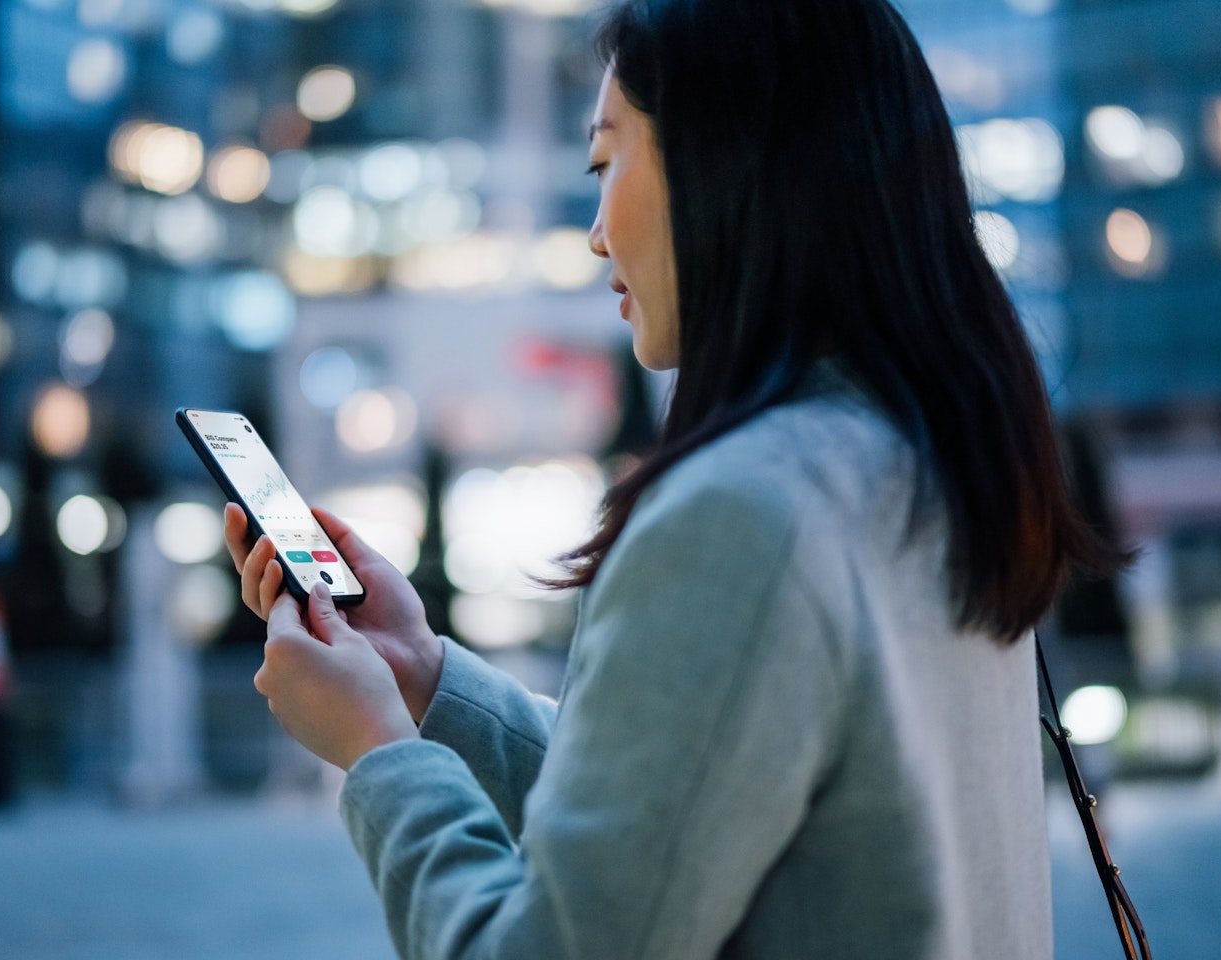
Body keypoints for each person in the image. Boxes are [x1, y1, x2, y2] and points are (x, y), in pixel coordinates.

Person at [224, 1, 1127, 957]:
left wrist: (380, 754)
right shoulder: (926, 461)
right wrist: (426, 682)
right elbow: (675, 830)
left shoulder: (744, 512)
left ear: (726, 164)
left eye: (606, 164)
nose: (597, 233)